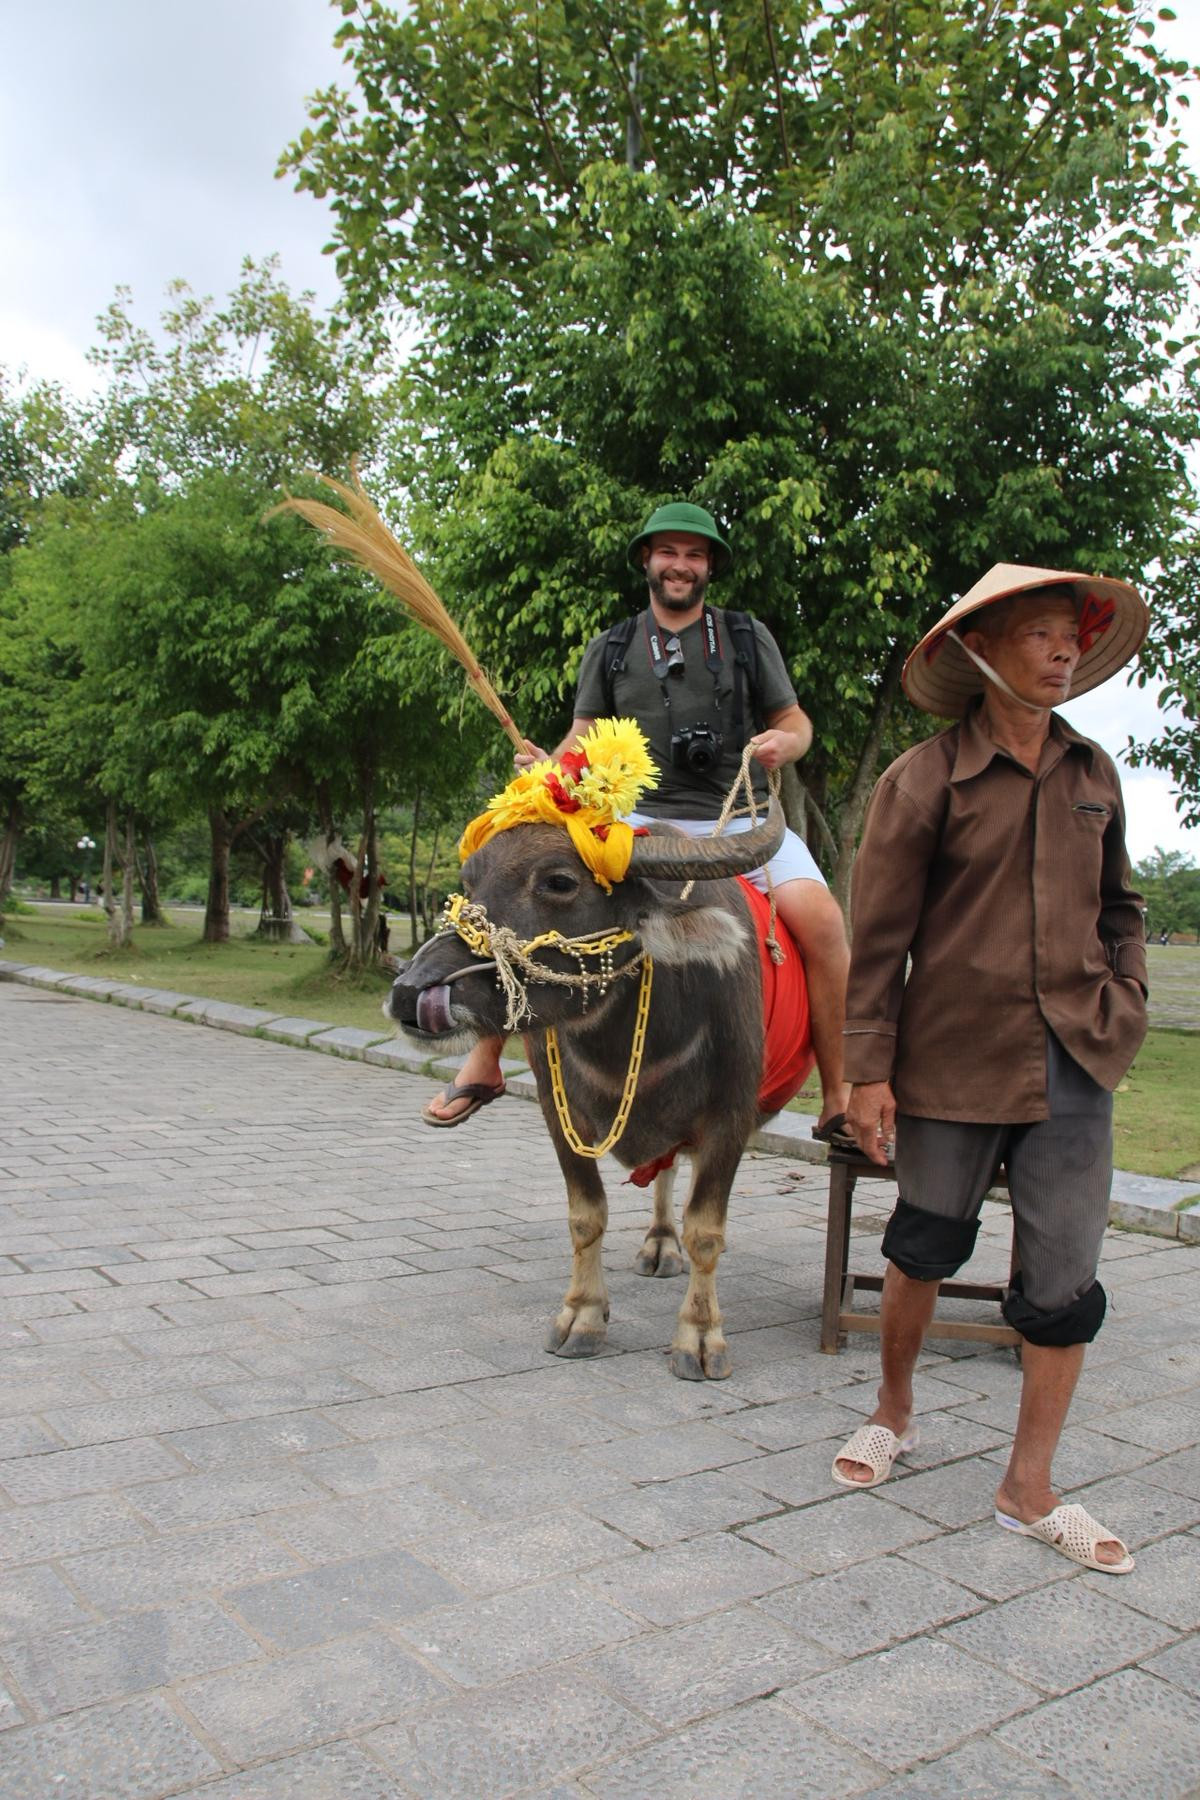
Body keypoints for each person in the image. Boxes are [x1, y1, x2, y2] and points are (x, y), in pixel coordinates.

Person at [834, 561, 1149, 1575]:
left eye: (1074, 637)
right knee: (923, 1243)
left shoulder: (1093, 774)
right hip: (951, 1060)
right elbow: (876, 943)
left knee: (1064, 1286)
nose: (1064, 651)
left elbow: (1122, 910)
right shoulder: (923, 780)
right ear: (979, 650)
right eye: (1043, 634)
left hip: (1076, 1059)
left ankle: (1029, 1487)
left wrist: (1125, 1003)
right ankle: (893, 1409)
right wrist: (868, 1074)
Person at [423, 500, 852, 1132]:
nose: (681, 565)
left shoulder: (743, 636)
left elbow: (794, 721)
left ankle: (838, 1095)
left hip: (739, 823)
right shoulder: (613, 646)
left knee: (823, 923)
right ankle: (486, 1060)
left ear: (709, 567)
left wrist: (786, 742)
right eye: (669, 552)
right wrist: (550, 766)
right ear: (647, 561)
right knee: (526, 906)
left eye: (695, 555)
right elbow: (583, 736)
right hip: (632, 826)